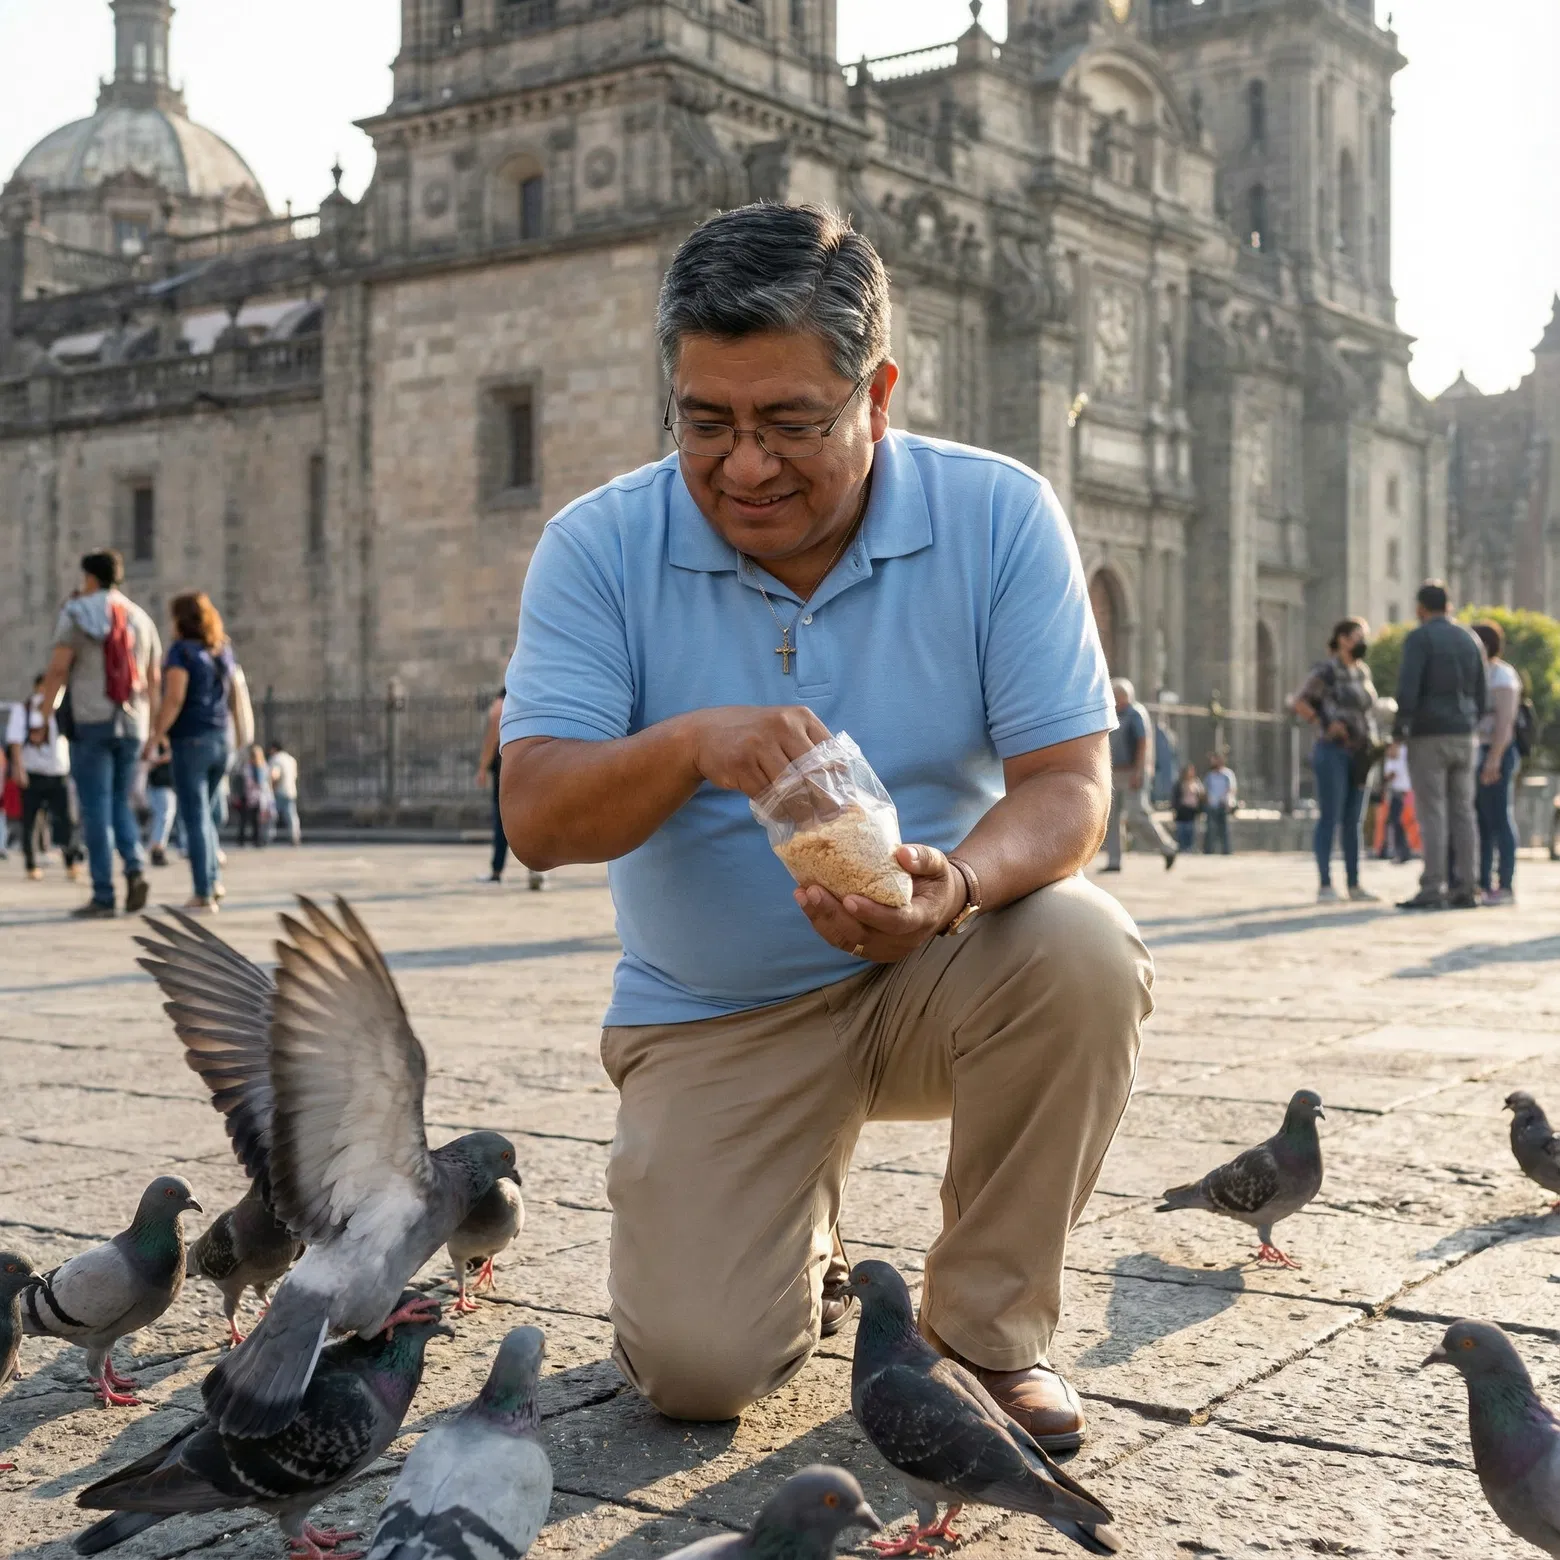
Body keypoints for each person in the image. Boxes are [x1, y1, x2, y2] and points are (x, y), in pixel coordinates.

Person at [498, 203, 1152, 1439]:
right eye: (708, 423)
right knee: (699, 1371)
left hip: (940, 969)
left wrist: (951, 886)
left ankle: (982, 1332)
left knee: (1084, 950)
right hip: (713, 1013)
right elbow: (534, 817)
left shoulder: (999, 515)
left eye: (792, 422)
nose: (745, 466)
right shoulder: (598, 546)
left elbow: (1069, 782)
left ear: (880, 393)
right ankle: (796, 1225)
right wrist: (693, 744)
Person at [37, 550, 161, 918]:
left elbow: (58, 670)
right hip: (132, 722)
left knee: (94, 808)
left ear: (90, 578)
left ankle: (104, 894)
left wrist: (43, 717)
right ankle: (135, 866)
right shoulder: (141, 617)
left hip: (92, 718)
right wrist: (153, 729)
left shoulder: (76, 612)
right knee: (120, 802)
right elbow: (153, 679)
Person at [141, 590, 238, 912]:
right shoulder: (221, 651)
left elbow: (175, 698)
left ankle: (203, 892)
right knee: (206, 815)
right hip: (220, 738)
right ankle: (212, 881)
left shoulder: (181, 652)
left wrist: (156, 735)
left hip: (192, 740)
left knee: (194, 817)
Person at [1393, 581, 1487, 911]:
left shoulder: (1420, 638)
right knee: (1464, 812)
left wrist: (1399, 728)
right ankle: (1469, 886)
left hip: (1429, 734)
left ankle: (1433, 886)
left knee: (1432, 812)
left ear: (1421, 608)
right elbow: (1481, 690)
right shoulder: (1469, 638)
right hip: (1465, 734)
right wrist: (1470, 722)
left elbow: (1409, 688)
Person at [1293, 618, 1380, 903]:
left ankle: (1354, 884)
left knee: (1354, 821)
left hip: (1361, 753)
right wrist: (1324, 723)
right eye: (1358, 636)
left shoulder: (1362, 671)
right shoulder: (1327, 670)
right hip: (1333, 752)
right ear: (1342, 639)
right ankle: (1325, 884)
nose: (1362, 642)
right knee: (1330, 818)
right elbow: (1300, 702)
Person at [6, 673, 83, 882]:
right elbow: (15, 742)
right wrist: (19, 769)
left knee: (66, 820)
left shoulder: (63, 709)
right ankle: (31, 864)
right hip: (33, 773)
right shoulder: (25, 710)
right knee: (30, 821)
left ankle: (71, 861)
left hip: (58, 771)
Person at [1470, 619, 1521, 906]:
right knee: (1482, 822)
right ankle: (1482, 883)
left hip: (1497, 753)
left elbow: (1505, 722)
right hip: (1478, 752)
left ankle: (1506, 885)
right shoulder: (1478, 674)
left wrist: (1494, 759)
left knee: (1500, 817)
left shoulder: (1503, 675)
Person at [1104, 678, 1177, 872]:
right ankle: (1114, 861)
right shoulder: (1113, 713)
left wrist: (1138, 771)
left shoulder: (1135, 713)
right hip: (1115, 772)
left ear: (1124, 696)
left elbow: (1143, 743)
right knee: (1111, 819)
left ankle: (1167, 847)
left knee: (1137, 814)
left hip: (1133, 772)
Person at [477, 694, 547, 889]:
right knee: (535, 816)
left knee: (503, 819)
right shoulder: (537, 688)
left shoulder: (507, 689)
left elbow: (496, 717)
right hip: (536, 762)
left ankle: (497, 871)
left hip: (509, 765)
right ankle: (537, 869)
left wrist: (483, 765)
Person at [1378, 740, 1415, 864]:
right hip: (1397, 792)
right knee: (1393, 821)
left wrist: (1384, 781)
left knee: (1395, 821)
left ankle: (1403, 851)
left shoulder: (1402, 752)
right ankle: (1396, 850)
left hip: (1401, 792)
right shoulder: (1393, 758)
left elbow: (1391, 775)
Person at [234, 744, 274, 847]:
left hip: (258, 797)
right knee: (244, 819)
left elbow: (266, 782)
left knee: (257, 820)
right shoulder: (246, 767)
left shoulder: (263, 767)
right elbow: (242, 781)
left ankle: (257, 840)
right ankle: (241, 839)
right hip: (247, 796)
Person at [1201, 751, 1237, 854]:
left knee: (1224, 830)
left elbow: (1232, 789)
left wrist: (1227, 800)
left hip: (1223, 805)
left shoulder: (1227, 774)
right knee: (1210, 829)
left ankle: (1226, 851)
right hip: (1212, 806)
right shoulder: (1209, 775)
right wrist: (1207, 799)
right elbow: (1205, 790)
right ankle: (1208, 851)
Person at [145, 752, 177, 866]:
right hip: (162, 781)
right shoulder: (159, 739)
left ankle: (156, 847)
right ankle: (157, 848)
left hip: (160, 780)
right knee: (165, 815)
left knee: (161, 815)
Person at [268, 740, 300, 846]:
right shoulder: (291, 759)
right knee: (291, 816)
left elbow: (274, 775)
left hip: (279, 792)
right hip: (291, 790)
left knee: (272, 816)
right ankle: (294, 836)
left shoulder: (276, 759)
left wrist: (271, 789)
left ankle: (267, 837)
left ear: (274, 749)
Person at [1170, 762, 1204, 853]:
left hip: (1192, 811)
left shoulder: (1197, 783)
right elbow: (1175, 798)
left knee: (1191, 830)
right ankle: (1182, 848)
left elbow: (1201, 796)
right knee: (1181, 830)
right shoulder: (1179, 783)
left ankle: (1190, 848)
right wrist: (1174, 810)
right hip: (1182, 811)